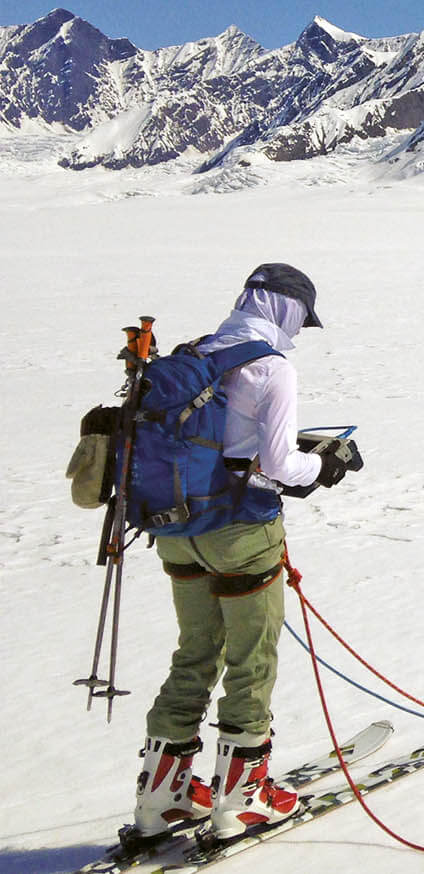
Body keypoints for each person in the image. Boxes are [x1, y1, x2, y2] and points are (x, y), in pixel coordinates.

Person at [131, 264, 356, 840]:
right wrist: (326, 463)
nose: (301, 331)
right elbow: (281, 466)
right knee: (251, 660)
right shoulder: (271, 367)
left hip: (177, 530)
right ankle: (243, 796)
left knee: (195, 652)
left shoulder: (195, 352)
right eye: (301, 318)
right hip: (241, 534)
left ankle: (164, 795)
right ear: (284, 308)